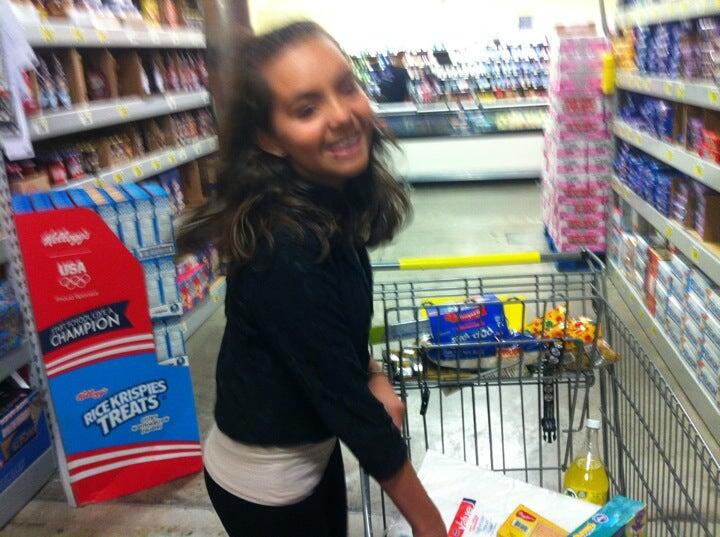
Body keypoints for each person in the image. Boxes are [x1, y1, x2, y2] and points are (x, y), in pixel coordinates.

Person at [177, 20, 445, 537]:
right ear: (269, 139)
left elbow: (330, 339)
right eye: (306, 109)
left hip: (310, 459)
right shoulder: (285, 251)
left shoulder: (327, 201)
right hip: (266, 490)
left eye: (346, 87)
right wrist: (431, 524)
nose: (341, 116)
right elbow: (350, 410)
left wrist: (372, 372)